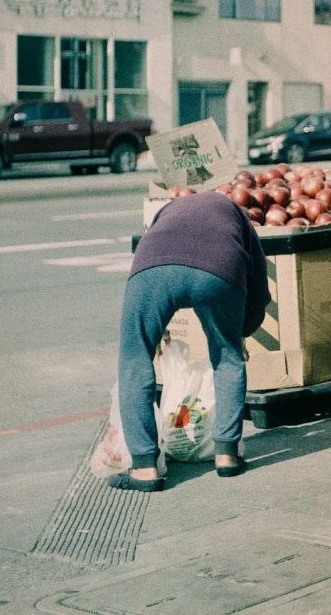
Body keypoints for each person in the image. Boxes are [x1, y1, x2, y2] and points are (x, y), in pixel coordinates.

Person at [107, 190, 270, 492]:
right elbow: (259, 284)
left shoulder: (167, 210)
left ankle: (144, 468)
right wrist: (242, 331)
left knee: (135, 358)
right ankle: (226, 455)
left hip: (153, 269)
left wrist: (154, 330)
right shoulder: (237, 214)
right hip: (219, 269)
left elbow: (154, 250)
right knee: (228, 357)